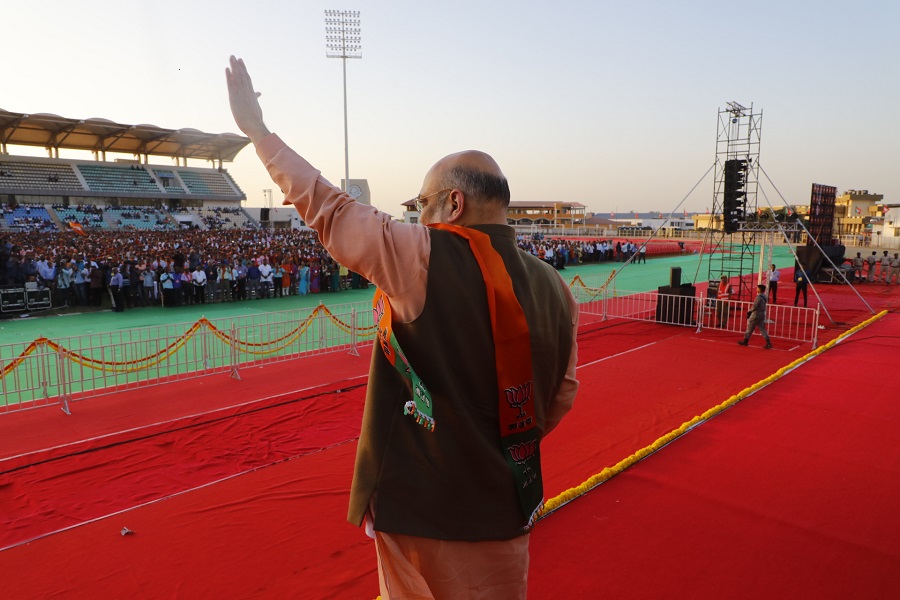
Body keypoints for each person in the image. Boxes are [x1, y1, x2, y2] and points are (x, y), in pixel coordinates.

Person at [226, 55, 579, 599]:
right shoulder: (557, 287)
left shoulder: (425, 254)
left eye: (422, 204)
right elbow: (560, 397)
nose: (416, 216)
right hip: (507, 503)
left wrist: (258, 132)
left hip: (425, 508)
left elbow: (330, 210)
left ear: (453, 204)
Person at [738, 283, 773, 349]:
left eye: (757, 288)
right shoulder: (765, 296)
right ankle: (768, 342)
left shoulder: (758, 297)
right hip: (762, 314)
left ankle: (745, 341)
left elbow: (755, 306)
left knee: (750, 327)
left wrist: (750, 311)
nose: (757, 289)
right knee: (762, 329)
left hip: (756, 314)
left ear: (760, 289)